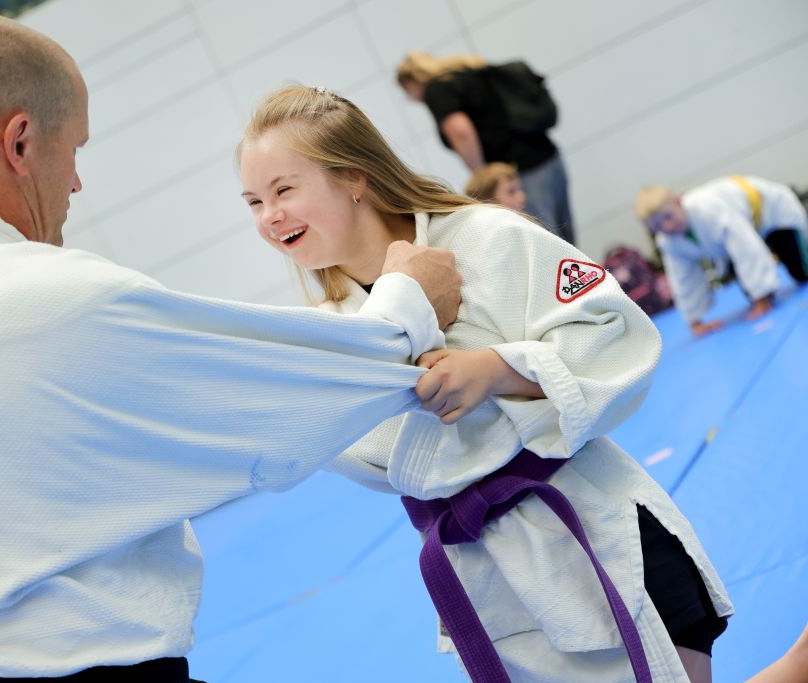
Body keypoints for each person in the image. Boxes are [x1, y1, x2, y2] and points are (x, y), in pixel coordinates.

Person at [0, 15, 466, 683]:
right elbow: (282, 406)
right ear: (20, 143)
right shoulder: (50, 297)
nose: (75, 183)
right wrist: (406, 306)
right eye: (73, 150)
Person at [237, 85, 732, 683]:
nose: (269, 217)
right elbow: (344, 448)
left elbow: (617, 336)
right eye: (253, 202)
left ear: (353, 177)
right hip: (494, 579)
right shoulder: (332, 331)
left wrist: (497, 369)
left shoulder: (485, 237)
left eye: (284, 190)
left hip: (601, 539)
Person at [396, 50, 576, 244]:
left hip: (521, 172)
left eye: (408, 93)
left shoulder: (437, 88)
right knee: (565, 240)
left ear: (411, 82)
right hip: (548, 157)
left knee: (545, 241)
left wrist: (481, 173)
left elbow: (461, 132)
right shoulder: (469, 70)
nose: (412, 99)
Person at [635, 176, 808, 337]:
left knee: (802, 273)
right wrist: (695, 321)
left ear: (679, 202)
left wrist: (761, 297)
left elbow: (745, 248)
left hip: (773, 213)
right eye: (656, 226)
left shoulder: (708, 210)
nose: (666, 227)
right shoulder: (667, 241)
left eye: (668, 217)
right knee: (751, 291)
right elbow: (682, 277)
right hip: (744, 227)